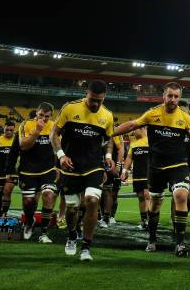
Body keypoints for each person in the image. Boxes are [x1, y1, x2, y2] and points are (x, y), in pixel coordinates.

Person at [113, 82, 190, 257]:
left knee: (181, 195)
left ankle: (180, 244)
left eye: (176, 96)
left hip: (178, 165)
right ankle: (152, 239)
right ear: (164, 96)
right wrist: (110, 133)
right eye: (170, 95)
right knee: (154, 204)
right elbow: (132, 125)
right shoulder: (152, 114)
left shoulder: (184, 118)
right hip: (156, 167)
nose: (173, 99)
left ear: (180, 98)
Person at [51, 80, 115, 261]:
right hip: (70, 165)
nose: (96, 104)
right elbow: (54, 134)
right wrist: (61, 155)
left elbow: (109, 138)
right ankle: (72, 236)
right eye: (93, 99)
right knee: (72, 208)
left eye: (100, 101)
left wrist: (109, 156)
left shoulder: (107, 115)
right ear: (86, 93)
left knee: (92, 200)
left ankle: (86, 247)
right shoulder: (70, 108)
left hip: (93, 165)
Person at [18, 102, 58, 244]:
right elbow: (23, 146)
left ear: (51, 116)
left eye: (47, 116)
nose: (44, 119)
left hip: (47, 169)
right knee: (29, 202)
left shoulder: (54, 126)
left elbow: (57, 148)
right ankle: (29, 221)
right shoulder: (25, 124)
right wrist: (37, 131)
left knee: (48, 195)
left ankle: (44, 233)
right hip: (28, 170)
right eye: (41, 115)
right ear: (37, 113)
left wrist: (57, 168)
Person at [121, 126, 150, 230]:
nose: (133, 132)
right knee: (141, 197)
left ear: (141, 128)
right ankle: (144, 221)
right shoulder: (134, 144)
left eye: (134, 130)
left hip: (149, 174)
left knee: (147, 195)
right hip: (138, 175)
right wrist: (124, 171)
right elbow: (129, 159)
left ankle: (150, 220)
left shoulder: (151, 140)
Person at [0, 122, 17, 217]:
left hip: (12, 171)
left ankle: (4, 214)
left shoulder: (17, 141)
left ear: (14, 130)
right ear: (3, 130)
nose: (9, 132)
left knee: (7, 192)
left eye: (11, 130)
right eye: (7, 130)